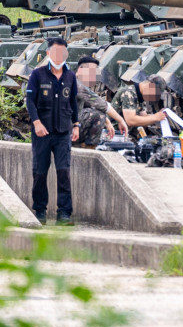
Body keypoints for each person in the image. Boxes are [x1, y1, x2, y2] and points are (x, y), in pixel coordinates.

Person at [24, 38, 80, 225]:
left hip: (63, 131)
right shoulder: (38, 75)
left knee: (63, 172)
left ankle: (64, 214)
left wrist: (76, 124)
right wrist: (37, 123)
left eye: (62, 53)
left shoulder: (70, 76)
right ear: (48, 54)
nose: (59, 57)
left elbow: (73, 102)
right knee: (40, 172)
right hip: (42, 132)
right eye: (55, 53)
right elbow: (30, 101)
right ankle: (40, 210)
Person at [74, 55, 129, 148]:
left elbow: (90, 105)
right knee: (98, 115)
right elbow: (103, 105)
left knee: (99, 114)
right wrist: (121, 120)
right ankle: (88, 148)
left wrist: (107, 122)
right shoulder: (77, 85)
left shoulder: (75, 82)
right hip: (63, 127)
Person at [112, 74, 167, 141]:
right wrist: (155, 117)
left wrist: (160, 116)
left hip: (121, 134)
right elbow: (131, 120)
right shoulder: (129, 92)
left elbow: (143, 117)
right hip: (112, 133)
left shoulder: (140, 95)